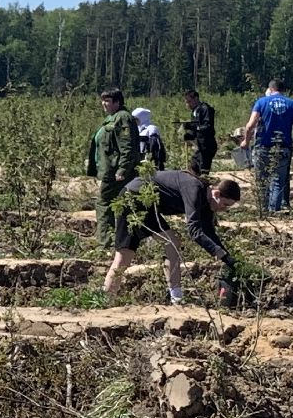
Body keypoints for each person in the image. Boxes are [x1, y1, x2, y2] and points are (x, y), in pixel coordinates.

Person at [104, 173, 241, 303]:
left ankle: (106, 299)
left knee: (125, 256)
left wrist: (227, 258)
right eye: (225, 205)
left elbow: (209, 233)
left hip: (144, 203)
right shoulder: (194, 189)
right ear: (216, 194)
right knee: (168, 244)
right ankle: (176, 297)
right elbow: (194, 231)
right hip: (134, 198)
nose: (224, 209)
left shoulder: (206, 201)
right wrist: (219, 253)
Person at [85, 88, 141, 248]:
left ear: (117, 102)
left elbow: (127, 146)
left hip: (116, 172)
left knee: (104, 203)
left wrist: (122, 169)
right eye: (103, 100)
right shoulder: (111, 118)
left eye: (108, 101)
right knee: (125, 204)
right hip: (110, 170)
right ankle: (124, 241)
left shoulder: (122, 118)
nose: (104, 104)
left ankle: (106, 243)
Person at [241, 79, 293, 212]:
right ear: (283, 90)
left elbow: (250, 126)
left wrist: (246, 142)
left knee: (261, 180)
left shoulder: (261, 102)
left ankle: (263, 210)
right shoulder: (291, 104)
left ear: (270, 89)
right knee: (277, 181)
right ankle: (274, 211)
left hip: (263, 146)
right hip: (283, 147)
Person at [182, 90, 217, 176]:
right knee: (194, 165)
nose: (188, 104)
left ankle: (204, 186)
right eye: (187, 102)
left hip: (207, 145)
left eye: (189, 101)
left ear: (196, 98)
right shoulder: (194, 112)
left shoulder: (205, 109)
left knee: (203, 170)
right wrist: (189, 135)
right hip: (200, 146)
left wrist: (194, 127)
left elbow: (207, 127)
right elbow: (195, 130)